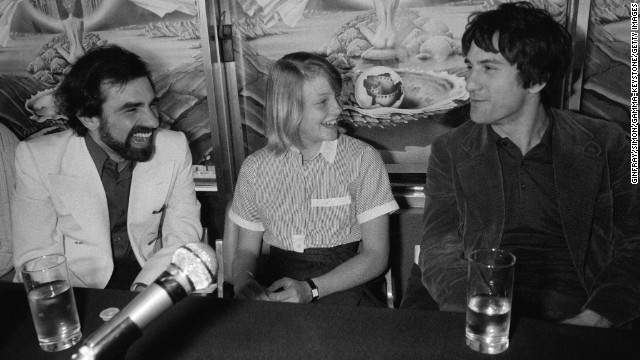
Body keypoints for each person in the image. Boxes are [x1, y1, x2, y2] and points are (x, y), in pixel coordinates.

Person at [402, 2, 640, 328]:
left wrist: (599, 316)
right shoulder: (451, 149)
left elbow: (635, 242)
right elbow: (440, 248)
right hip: (482, 301)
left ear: (536, 80)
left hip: (581, 309)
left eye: (488, 68)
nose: (470, 83)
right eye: (470, 67)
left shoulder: (608, 142)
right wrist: (475, 310)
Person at [11, 45, 203, 291]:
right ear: (88, 118)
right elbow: (36, 259)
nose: (153, 121)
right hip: (77, 294)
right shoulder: (38, 158)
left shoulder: (173, 147)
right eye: (131, 110)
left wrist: (146, 292)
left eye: (151, 105)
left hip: (150, 282)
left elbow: (183, 237)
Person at [229, 52, 399, 305]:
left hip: (343, 285)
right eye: (323, 102)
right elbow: (245, 250)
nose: (338, 109)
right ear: (289, 109)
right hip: (275, 284)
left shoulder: (363, 159)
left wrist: (311, 290)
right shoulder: (255, 168)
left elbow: (376, 255)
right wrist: (245, 283)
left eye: (336, 97)